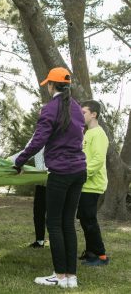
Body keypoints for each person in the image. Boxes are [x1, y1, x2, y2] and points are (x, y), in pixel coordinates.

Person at [13, 67, 86, 288]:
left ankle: (60, 276)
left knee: (53, 223)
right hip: (79, 172)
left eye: (48, 84)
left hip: (61, 173)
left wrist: (19, 161)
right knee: (67, 223)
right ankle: (70, 278)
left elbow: (37, 141)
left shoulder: (50, 109)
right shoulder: (75, 108)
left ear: (51, 85)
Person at [77, 100, 109, 266]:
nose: (80, 115)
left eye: (83, 112)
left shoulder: (98, 134)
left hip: (93, 184)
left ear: (93, 114)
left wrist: (81, 175)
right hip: (84, 184)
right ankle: (90, 253)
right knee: (84, 218)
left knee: (89, 220)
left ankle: (101, 255)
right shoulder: (87, 133)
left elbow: (97, 160)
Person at [9, 137, 47, 248]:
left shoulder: (59, 130)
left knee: (55, 216)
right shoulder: (39, 132)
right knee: (38, 212)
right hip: (41, 181)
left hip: (56, 179)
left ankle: (59, 243)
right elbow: (28, 150)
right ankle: (39, 241)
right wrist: (11, 161)